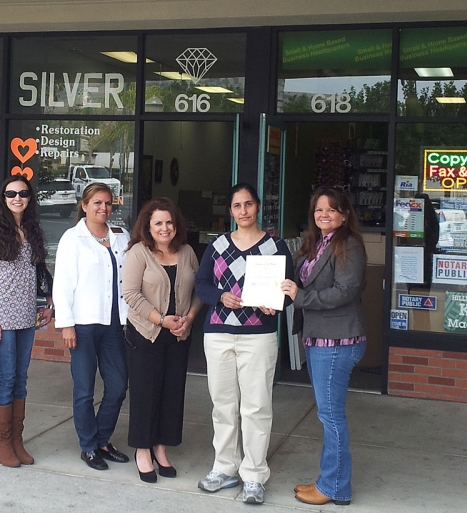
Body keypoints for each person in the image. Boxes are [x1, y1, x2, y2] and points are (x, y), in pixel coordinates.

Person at [195, 182, 294, 506]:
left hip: (258, 335)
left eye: (248, 204)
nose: (243, 211)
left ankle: (253, 475)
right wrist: (220, 296)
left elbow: (288, 290)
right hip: (219, 333)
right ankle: (224, 468)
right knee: (223, 405)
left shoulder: (276, 247)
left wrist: (276, 303)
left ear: (258, 206)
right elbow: (201, 284)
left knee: (256, 406)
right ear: (231, 211)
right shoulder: (218, 245)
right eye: (237, 206)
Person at [281, 186, 367, 507]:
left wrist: (301, 297)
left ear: (344, 215)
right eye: (319, 209)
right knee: (327, 413)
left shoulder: (349, 244)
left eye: (331, 209)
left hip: (337, 340)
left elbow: (345, 291)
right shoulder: (317, 243)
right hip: (320, 338)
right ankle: (328, 480)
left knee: (330, 416)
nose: (324, 215)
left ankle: (334, 487)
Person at [123, 197, 202, 483]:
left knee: (172, 394)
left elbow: (199, 290)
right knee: (145, 394)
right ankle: (143, 450)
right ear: (148, 226)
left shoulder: (187, 252)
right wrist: (161, 320)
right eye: (158, 223)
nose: (164, 228)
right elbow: (131, 294)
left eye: (169, 222)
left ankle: (160, 448)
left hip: (179, 334)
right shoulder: (138, 253)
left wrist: (189, 317)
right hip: (146, 334)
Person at [53, 183, 130, 471]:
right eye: (97, 202)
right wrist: (66, 325)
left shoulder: (121, 235)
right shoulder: (73, 238)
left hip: (114, 324)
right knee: (84, 389)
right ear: (84, 205)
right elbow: (62, 284)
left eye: (108, 203)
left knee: (118, 386)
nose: (103, 208)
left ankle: (102, 440)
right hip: (83, 325)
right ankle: (88, 446)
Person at [0, 176, 52, 468]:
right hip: (3, 315)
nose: (17, 198)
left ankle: (16, 439)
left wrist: (49, 303)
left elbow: (40, 271)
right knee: (6, 376)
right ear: (3, 197)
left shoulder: (33, 230)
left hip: (26, 314)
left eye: (22, 193)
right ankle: (1, 440)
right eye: (11, 193)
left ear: (30, 197)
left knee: (21, 377)